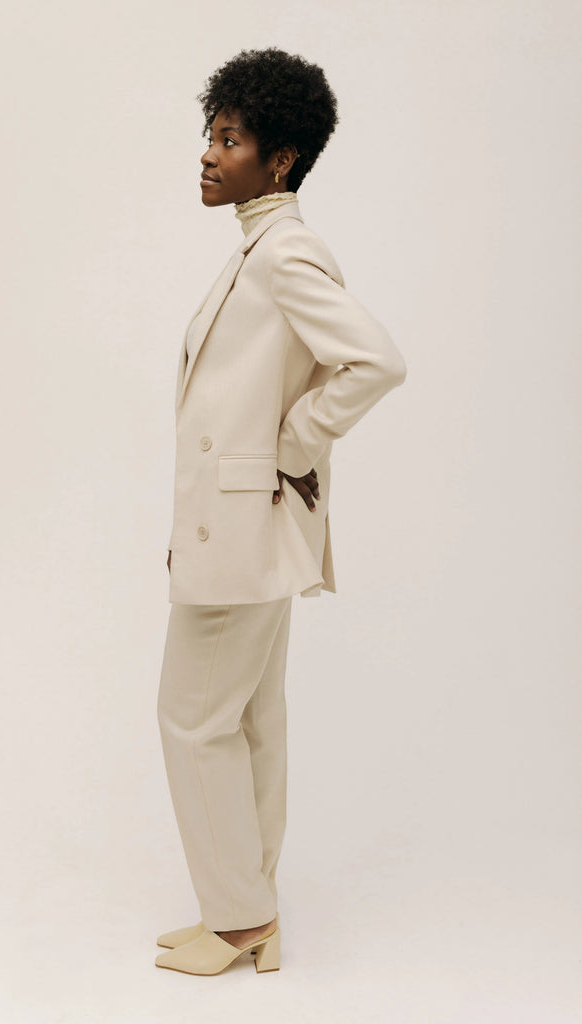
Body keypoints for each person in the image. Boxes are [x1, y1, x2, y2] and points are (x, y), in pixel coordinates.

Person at [155, 47, 406, 976]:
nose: (208, 153)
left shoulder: (285, 252)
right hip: (245, 529)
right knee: (250, 718)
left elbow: (375, 360)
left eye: (230, 139)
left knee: (191, 719)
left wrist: (295, 441)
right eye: (210, 135)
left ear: (281, 159)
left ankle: (235, 919)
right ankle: (248, 909)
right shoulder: (259, 249)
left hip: (244, 528)